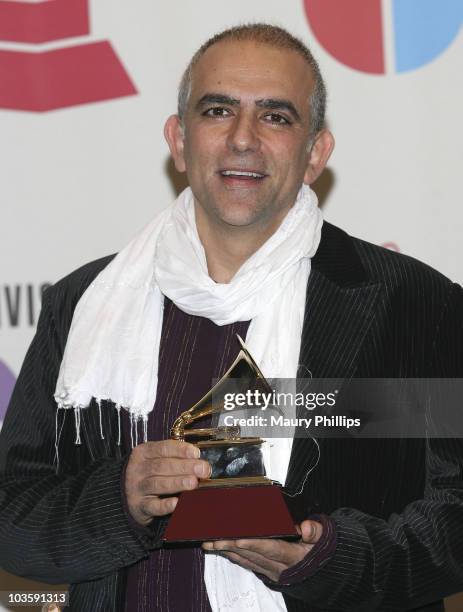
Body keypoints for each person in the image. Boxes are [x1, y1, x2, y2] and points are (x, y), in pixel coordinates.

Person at [0, 22, 462, 612]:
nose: (243, 139)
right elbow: (14, 515)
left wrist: (329, 557)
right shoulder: (83, 302)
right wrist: (121, 500)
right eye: (218, 110)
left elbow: (455, 516)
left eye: (276, 117)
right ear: (179, 140)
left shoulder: (413, 306)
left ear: (316, 151)